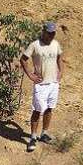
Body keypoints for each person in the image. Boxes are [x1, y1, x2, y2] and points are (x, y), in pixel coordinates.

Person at [20, 22, 64, 152]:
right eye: (49, 33)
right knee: (37, 110)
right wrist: (30, 75)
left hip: (53, 84)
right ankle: (33, 137)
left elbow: (59, 58)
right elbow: (23, 59)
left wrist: (61, 71)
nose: (52, 35)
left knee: (50, 109)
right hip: (41, 84)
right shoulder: (34, 45)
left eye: (53, 33)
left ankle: (44, 133)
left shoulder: (56, 44)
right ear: (43, 32)